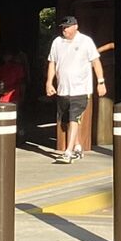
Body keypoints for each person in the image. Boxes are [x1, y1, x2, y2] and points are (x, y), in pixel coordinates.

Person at [44, 16, 105, 164]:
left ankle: (68, 151)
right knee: (66, 121)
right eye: (63, 27)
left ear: (75, 27)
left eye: (68, 26)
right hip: (63, 89)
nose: (65, 29)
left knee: (74, 118)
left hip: (81, 89)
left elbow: (96, 61)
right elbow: (52, 62)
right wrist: (49, 82)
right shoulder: (57, 42)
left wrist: (100, 82)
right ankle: (77, 146)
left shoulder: (86, 41)